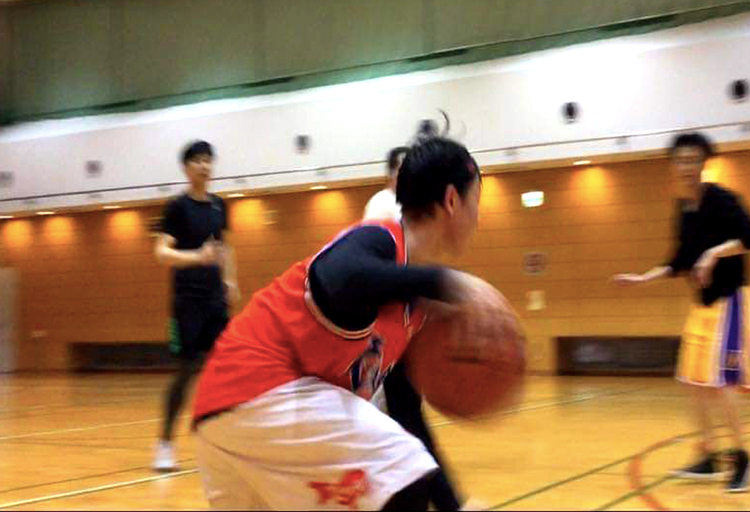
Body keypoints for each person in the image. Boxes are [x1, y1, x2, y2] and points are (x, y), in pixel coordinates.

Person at [192, 137, 520, 510]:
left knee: (401, 464)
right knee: (397, 474)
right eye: (476, 200)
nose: (478, 217)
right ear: (451, 200)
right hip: (261, 387)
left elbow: (407, 417)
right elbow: (343, 277)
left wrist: (451, 505)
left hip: (223, 418)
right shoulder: (378, 239)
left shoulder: (415, 309)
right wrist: (449, 282)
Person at [613, 132, 750, 493]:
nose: (686, 166)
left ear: (703, 163)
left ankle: (741, 458)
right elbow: (678, 260)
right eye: (680, 160)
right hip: (703, 307)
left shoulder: (722, 200)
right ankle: (710, 454)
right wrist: (642, 279)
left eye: (693, 159)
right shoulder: (683, 210)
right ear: (673, 165)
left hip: (731, 301)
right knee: (692, 382)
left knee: (723, 383)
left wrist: (714, 254)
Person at [364, 146, 468, 511]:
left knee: (409, 432)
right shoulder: (383, 209)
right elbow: (389, 279)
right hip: (373, 350)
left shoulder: (419, 225)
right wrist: (448, 288)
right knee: (404, 434)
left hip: (395, 338)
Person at [152, 140, 240, 471]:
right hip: (187, 302)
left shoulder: (219, 206)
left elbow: (225, 248)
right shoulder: (177, 207)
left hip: (216, 301)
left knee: (229, 368)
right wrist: (196, 257)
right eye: (198, 161)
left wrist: (231, 281)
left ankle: (227, 442)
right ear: (187, 168)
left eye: (209, 160)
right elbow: (161, 252)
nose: (205, 166)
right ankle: (164, 443)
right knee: (186, 371)